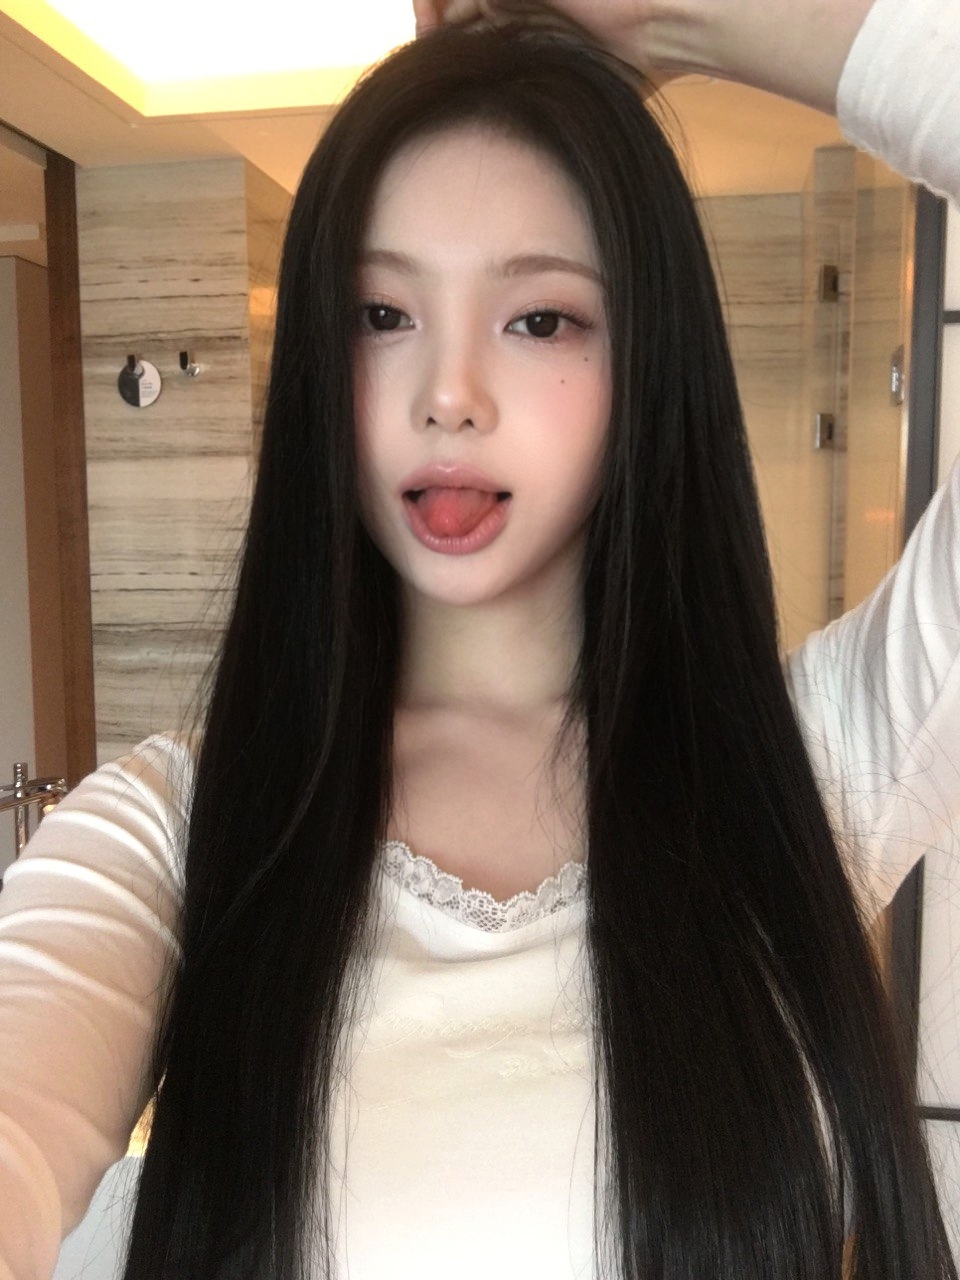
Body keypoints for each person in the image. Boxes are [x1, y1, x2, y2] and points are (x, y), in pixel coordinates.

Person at [0, 2, 958, 1278]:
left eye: (540, 318)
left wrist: (682, 16)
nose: (448, 395)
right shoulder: (182, 828)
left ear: (647, 362)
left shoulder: (799, 774)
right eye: (380, 313)